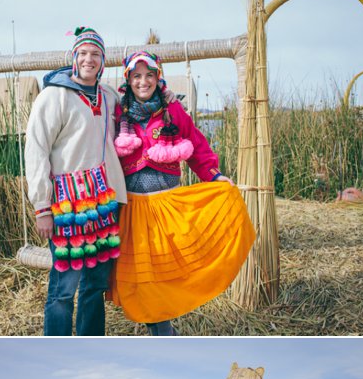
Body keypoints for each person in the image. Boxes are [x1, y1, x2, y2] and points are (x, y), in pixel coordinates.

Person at [108, 51, 255, 335]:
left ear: (157, 77)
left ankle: (165, 330)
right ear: (128, 79)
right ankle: (161, 331)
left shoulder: (172, 110)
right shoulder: (118, 112)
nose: (143, 82)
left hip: (169, 206)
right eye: (136, 76)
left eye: (149, 75)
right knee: (146, 278)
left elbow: (197, 146)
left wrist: (214, 175)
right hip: (135, 211)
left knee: (170, 273)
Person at [25, 27, 127, 336]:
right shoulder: (54, 96)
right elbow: (36, 148)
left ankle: (89, 342)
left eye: (95, 54)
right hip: (66, 204)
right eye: (83, 53)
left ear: (103, 61)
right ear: (74, 59)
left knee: (95, 285)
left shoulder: (109, 97)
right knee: (64, 288)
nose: (89, 59)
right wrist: (42, 207)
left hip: (103, 204)